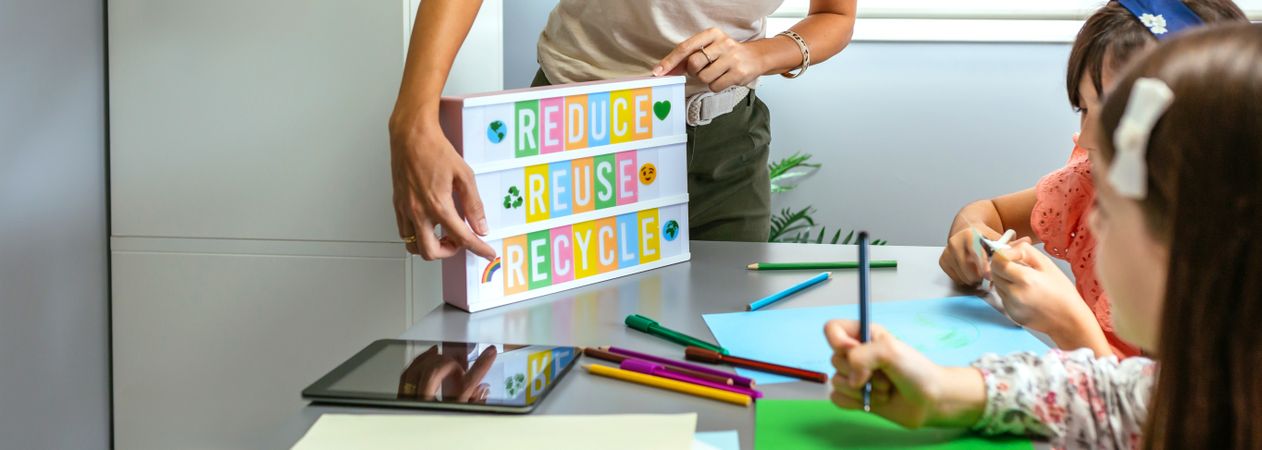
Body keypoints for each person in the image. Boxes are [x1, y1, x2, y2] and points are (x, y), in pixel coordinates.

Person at [828, 23, 1262, 449]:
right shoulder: (1217, 387)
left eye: (1110, 209)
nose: (1092, 223)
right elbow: (1121, 400)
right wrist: (941, 390)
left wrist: (1071, 322)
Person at [388, 1, 856, 260]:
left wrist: (761, 54)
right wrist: (412, 119)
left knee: (719, 353)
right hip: (571, 138)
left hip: (725, 149)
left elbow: (835, 15)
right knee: (560, 349)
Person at [937, 0, 1245, 358]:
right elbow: (988, 213)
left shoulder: (1235, 265)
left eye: (1118, 113)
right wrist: (975, 243)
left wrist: (1069, 323)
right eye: (1083, 109)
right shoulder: (1088, 185)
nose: (1086, 139)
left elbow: (1159, 408)